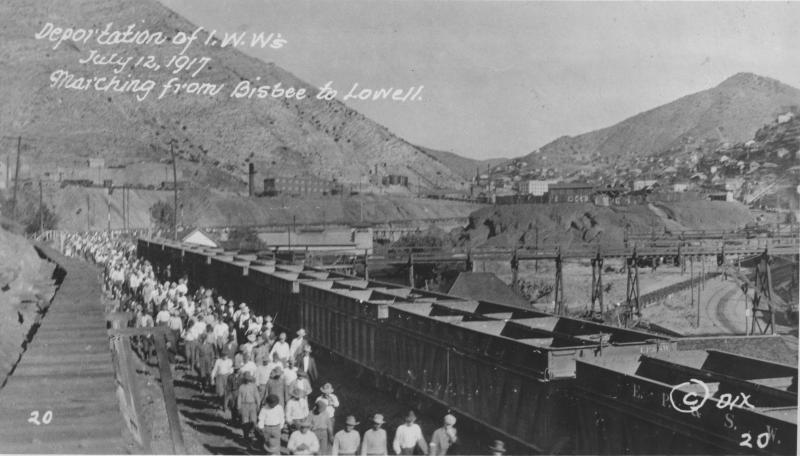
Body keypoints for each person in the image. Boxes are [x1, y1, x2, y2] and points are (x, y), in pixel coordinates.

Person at [238, 372, 261, 443]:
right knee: (245, 422)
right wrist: (238, 407)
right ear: (244, 379)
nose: (247, 380)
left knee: (253, 421)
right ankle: (246, 436)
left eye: (248, 379)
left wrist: (258, 404)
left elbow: (257, 395)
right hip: (244, 405)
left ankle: (252, 434)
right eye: (246, 379)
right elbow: (239, 397)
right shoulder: (241, 387)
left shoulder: (254, 386)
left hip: (252, 405)